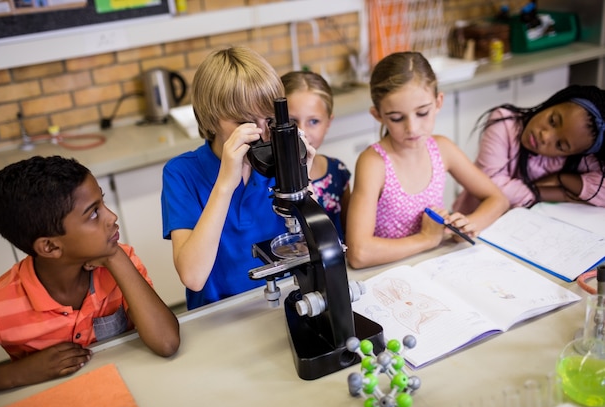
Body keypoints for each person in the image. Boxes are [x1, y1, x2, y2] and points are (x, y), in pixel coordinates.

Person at [0, 156, 180, 394]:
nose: (111, 217)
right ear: (50, 247)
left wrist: (115, 257)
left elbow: (166, 342)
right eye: (93, 214)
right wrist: (19, 374)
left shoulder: (119, 260)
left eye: (102, 203)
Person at [161, 46, 315, 310]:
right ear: (210, 121)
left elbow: (309, 249)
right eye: (244, 122)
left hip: (283, 301)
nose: (261, 133)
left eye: (268, 119)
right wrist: (224, 185)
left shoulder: (276, 163)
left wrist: (301, 179)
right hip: (218, 314)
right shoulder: (181, 174)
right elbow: (193, 277)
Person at [346, 51, 508, 269]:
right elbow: (359, 253)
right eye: (396, 118)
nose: (412, 128)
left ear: (438, 102)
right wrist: (426, 239)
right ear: (378, 115)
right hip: (388, 272)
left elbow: (498, 199)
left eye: (422, 113)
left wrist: (470, 224)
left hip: (435, 265)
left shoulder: (441, 149)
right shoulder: (374, 163)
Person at [453, 84, 605, 212]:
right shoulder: (504, 124)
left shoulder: (582, 158)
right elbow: (491, 188)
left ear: (577, 153)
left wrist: (562, 179)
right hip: (473, 222)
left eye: (560, 145)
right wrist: (557, 193)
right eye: (552, 120)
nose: (545, 136)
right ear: (555, 102)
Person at [282, 70, 351, 241]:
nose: (301, 132)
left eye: (313, 121)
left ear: (328, 123)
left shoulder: (338, 171)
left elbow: (348, 233)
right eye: (291, 122)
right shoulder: (265, 182)